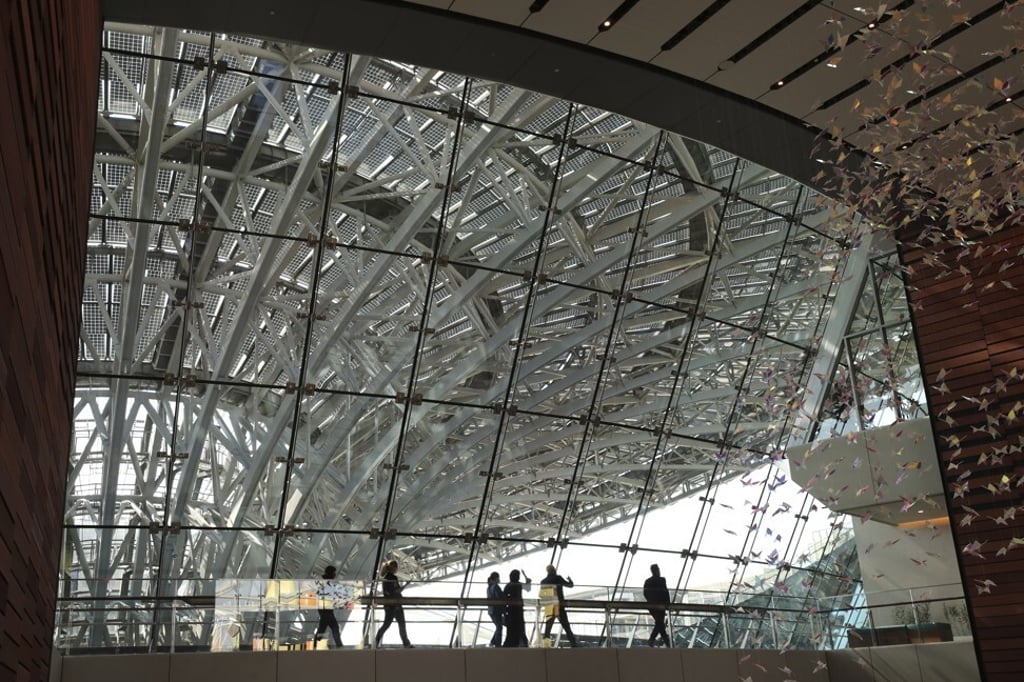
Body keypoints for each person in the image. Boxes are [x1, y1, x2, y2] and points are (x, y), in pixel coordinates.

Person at [374, 560, 413, 648]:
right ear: (393, 567)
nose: (395, 568)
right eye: (395, 566)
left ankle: (376, 641)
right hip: (395, 605)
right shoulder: (392, 578)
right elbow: (396, 591)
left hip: (389, 605)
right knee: (401, 624)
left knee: (387, 624)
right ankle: (406, 643)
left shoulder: (386, 577)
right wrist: (406, 585)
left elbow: (391, 591)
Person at [540, 564, 578, 647]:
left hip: (550, 606)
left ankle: (546, 646)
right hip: (559, 606)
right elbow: (570, 585)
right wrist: (570, 580)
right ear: (553, 570)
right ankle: (573, 644)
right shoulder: (558, 578)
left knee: (548, 628)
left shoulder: (543, 581)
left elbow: (542, 595)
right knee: (566, 626)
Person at [643, 563, 671, 647]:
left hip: (652, 606)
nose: (659, 571)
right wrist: (668, 604)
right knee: (660, 623)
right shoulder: (662, 580)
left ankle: (658, 640)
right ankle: (663, 641)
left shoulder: (648, 581)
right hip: (661, 606)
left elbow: (645, 593)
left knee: (659, 623)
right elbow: (666, 592)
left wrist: (650, 601)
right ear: (656, 570)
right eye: (658, 570)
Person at [314, 565, 343, 648]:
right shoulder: (326, 582)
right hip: (326, 609)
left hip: (324, 609)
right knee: (333, 627)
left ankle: (315, 645)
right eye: (334, 573)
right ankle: (339, 646)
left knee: (323, 628)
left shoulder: (322, 581)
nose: (335, 575)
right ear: (331, 573)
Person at [501, 569, 531, 647]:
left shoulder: (509, 585)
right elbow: (528, 589)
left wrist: (504, 611)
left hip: (511, 609)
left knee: (511, 627)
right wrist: (528, 582)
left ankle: (511, 643)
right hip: (518, 609)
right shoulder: (518, 584)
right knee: (520, 626)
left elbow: (504, 598)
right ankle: (521, 642)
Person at [486, 571, 504, 646]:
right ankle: (497, 644)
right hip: (496, 610)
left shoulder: (489, 587)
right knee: (499, 627)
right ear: (496, 578)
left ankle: (493, 642)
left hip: (491, 610)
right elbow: (500, 597)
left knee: (498, 626)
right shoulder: (495, 586)